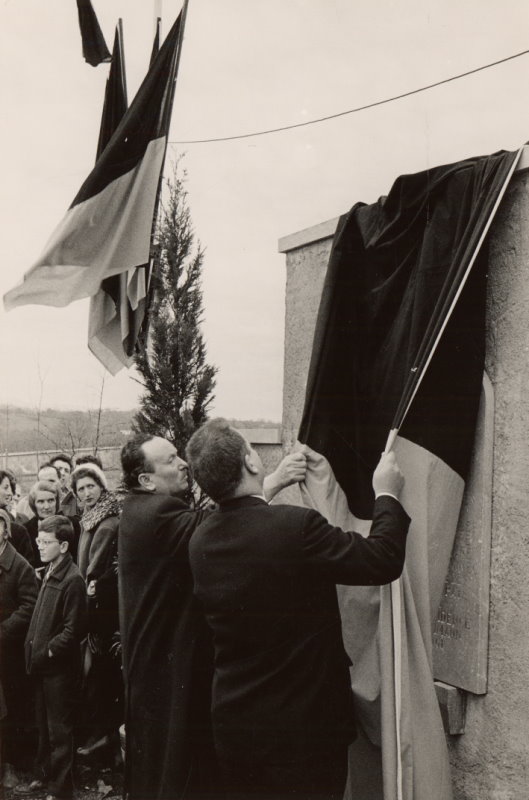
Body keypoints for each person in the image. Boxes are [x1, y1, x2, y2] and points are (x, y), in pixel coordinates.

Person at [185, 419, 411, 800]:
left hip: (238, 728)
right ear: (251, 462)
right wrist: (387, 494)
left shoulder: (200, 539)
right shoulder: (296, 526)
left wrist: (273, 482)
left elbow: (247, 521)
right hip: (304, 734)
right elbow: (382, 560)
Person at [118, 433, 307, 800]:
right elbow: (220, 525)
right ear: (146, 480)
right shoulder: (157, 513)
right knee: (178, 768)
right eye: (171, 459)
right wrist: (278, 478)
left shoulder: (137, 509)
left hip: (152, 668)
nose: (183, 464)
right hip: (167, 668)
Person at [17, 516, 87, 800]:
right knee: (44, 725)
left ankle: (61, 789)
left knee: (60, 730)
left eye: (46, 542)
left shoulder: (73, 580)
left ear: (64, 545)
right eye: (38, 541)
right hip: (42, 668)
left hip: (58, 670)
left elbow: (74, 630)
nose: (39, 546)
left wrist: (48, 650)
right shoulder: (49, 571)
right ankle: (43, 776)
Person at [70, 463, 121, 761]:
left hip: (102, 609)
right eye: (81, 489)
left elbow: (95, 570)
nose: (87, 493)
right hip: (93, 603)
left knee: (100, 673)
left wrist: (85, 595)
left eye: (91, 486)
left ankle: (106, 737)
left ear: (101, 486)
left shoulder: (107, 522)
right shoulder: (90, 519)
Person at [0, 509, 38, 790]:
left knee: (13, 709)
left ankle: (14, 766)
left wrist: (3, 631)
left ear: (5, 531)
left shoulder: (20, 566)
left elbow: (29, 606)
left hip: (9, 652)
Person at [24, 481, 62, 566]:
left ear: (57, 502)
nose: (47, 506)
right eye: (41, 502)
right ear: (34, 504)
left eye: (51, 500)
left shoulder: (69, 524)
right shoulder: (25, 530)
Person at [0, 469, 33, 565]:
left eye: (10, 488)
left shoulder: (18, 531)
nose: (10, 493)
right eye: (5, 487)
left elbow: (27, 570)